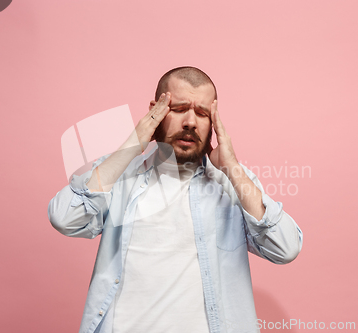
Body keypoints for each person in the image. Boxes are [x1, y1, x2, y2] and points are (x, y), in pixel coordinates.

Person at [48, 66, 303, 333]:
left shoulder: (234, 181)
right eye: (180, 109)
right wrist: (133, 145)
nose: (191, 122)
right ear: (155, 111)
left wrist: (232, 168)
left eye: (202, 113)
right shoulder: (120, 173)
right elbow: (65, 218)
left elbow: (285, 248)